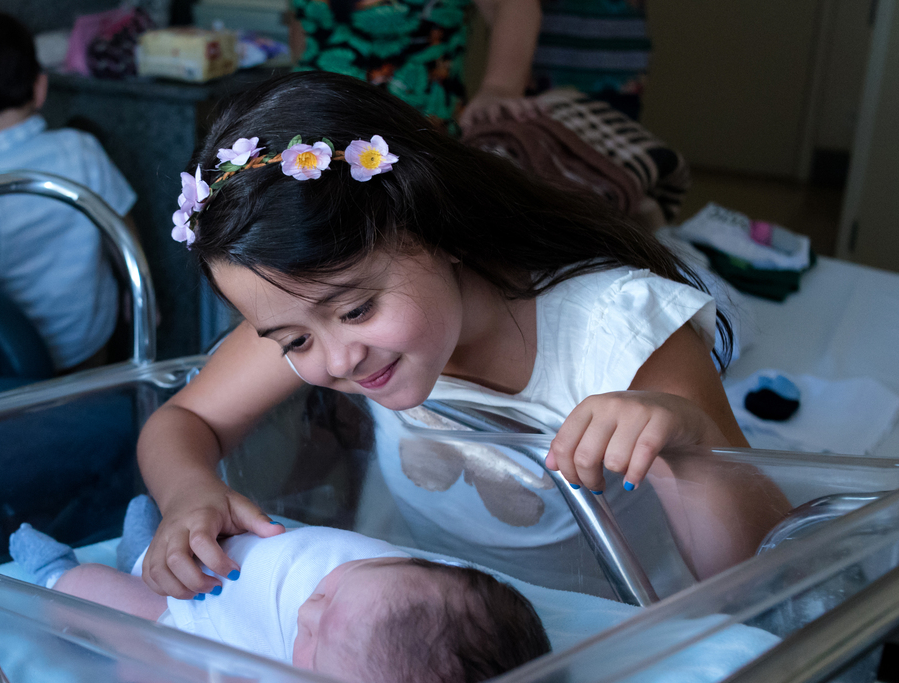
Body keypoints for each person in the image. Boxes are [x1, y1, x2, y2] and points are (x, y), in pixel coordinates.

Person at [138, 71, 783, 605]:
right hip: (435, 626)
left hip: (620, 634)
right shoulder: (314, 312)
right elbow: (186, 418)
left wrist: (688, 440)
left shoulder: (615, 331)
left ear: (436, 231)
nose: (338, 360)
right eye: (292, 343)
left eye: (359, 309)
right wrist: (190, 492)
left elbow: (755, 578)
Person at [9, 497, 550, 683]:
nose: (308, 608)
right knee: (175, 554)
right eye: (331, 596)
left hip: (205, 617)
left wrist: (151, 671)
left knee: (127, 612)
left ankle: (55, 576)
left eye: (310, 637)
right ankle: (142, 553)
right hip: (231, 546)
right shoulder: (441, 586)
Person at [0, 11, 138, 372]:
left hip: (20, 357)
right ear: (41, 87)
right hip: (93, 336)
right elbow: (120, 229)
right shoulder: (81, 148)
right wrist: (138, 296)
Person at [288, 0, 542, 132]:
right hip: (308, 117)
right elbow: (305, 25)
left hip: (414, 125)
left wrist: (500, 87)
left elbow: (513, 5)